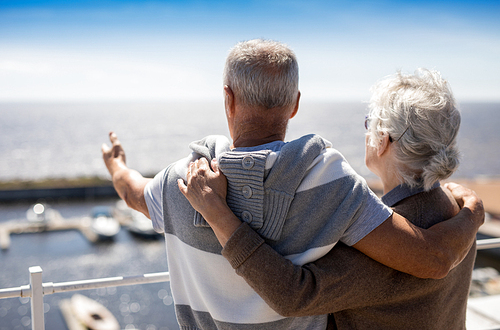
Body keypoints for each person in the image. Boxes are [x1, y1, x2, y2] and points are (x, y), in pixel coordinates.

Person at [102, 39, 482, 330]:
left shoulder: (180, 181)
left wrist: (118, 166)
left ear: (228, 100)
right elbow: (432, 251)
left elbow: (293, 293)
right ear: (294, 104)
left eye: (370, 126)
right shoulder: (341, 188)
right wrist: (472, 214)